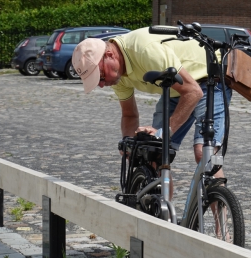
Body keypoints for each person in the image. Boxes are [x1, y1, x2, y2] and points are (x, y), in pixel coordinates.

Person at [72, 27, 231, 191]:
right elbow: (129, 115)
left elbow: (193, 91)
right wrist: (130, 146)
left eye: (101, 76)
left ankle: (222, 216)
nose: (102, 84)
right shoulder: (118, 75)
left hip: (209, 79)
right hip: (176, 88)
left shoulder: (144, 51)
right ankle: (163, 215)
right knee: (153, 153)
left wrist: (163, 133)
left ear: (110, 55)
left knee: (203, 154)